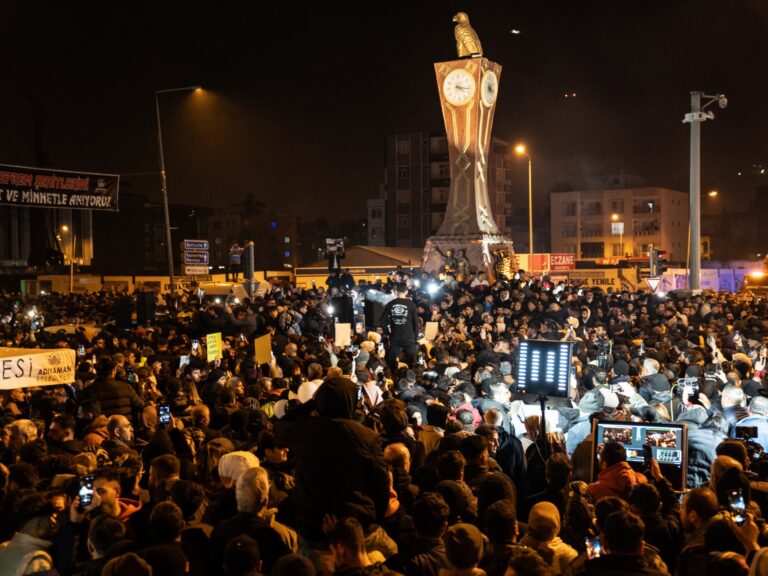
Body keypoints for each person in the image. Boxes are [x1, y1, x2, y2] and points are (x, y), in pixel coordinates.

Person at [380, 283, 420, 369]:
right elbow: (416, 324)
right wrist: (415, 339)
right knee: (412, 363)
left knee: (390, 362)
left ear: (396, 292)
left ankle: (391, 378)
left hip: (395, 336)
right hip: (409, 337)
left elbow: (383, 321)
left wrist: (388, 333)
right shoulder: (412, 305)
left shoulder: (390, 304)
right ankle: (412, 379)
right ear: (406, 291)